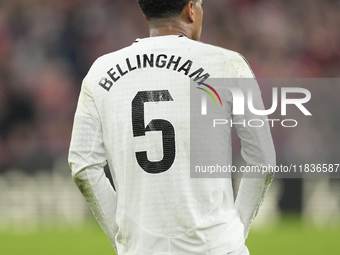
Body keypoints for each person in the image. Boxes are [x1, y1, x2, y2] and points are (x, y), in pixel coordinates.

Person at [68, 0, 276, 254]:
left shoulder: (100, 72)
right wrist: (233, 234)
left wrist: (127, 239)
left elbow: (83, 166)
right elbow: (263, 159)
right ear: (190, 9)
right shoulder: (227, 64)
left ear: (145, 15)